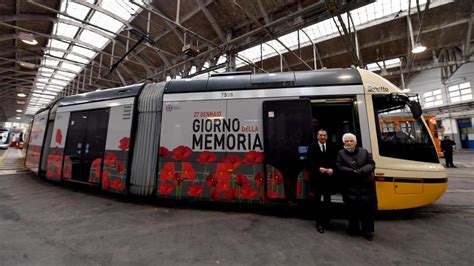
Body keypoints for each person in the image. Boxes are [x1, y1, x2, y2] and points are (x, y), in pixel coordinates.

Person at [336, 133, 377, 241]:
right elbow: (339, 167)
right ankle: (353, 229)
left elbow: (372, 164)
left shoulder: (364, 151)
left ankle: (367, 231)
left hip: (365, 187)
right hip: (350, 187)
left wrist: (361, 171)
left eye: (351, 141)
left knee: (367, 210)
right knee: (352, 210)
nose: (349, 143)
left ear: (355, 142)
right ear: (344, 143)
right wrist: (351, 171)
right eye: (346, 141)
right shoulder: (341, 153)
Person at [307, 129, 337, 233]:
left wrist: (332, 169)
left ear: (327, 137)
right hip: (317, 179)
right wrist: (318, 169)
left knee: (328, 201)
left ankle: (327, 221)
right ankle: (319, 223)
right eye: (321, 135)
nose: (323, 137)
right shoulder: (312, 147)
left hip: (329, 179)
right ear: (317, 136)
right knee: (317, 201)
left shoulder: (332, 147)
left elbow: (335, 161)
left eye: (324, 135)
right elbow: (309, 162)